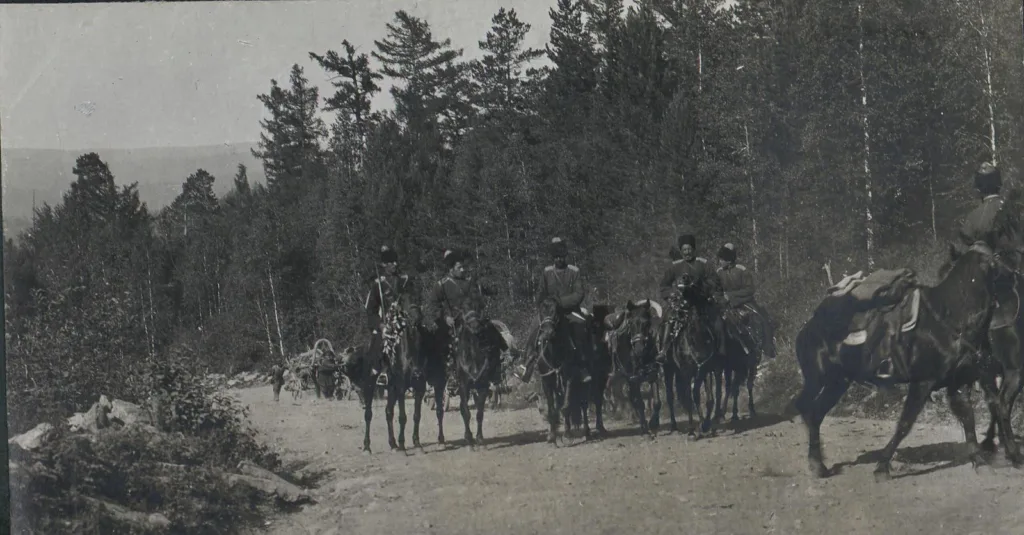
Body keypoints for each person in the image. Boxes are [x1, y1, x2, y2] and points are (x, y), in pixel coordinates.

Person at [424, 249, 506, 380]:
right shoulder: (441, 285)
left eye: (463, 267)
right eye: (459, 267)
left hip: (471, 317)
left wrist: (492, 291)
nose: (463, 270)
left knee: (491, 330)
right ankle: (445, 373)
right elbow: (433, 305)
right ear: (451, 269)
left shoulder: (470, 282)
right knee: (439, 344)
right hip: (453, 322)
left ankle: (503, 358)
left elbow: (481, 294)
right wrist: (445, 318)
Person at [520, 237, 593, 384]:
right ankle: (525, 364)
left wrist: (560, 303)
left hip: (570, 311)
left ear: (565, 256)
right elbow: (540, 293)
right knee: (534, 329)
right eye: (556, 257)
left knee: (581, 330)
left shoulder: (574, 271)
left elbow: (579, 293)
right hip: (550, 312)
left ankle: (582, 365)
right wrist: (544, 305)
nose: (558, 259)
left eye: (561, 257)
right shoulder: (547, 272)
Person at [657, 233, 727, 361]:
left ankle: (720, 350)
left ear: (694, 249)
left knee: (718, 321)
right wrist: (673, 294)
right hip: (681, 304)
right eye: (684, 250)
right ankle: (663, 350)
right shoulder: (675, 266)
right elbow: (664, 286)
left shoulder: (703, 264)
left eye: (689, 249)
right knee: (668, 320)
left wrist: (701, 286)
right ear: (681, 251)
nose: (687, 252)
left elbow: (714, 281)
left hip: (701, 302)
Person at [364, 245, 416, 385]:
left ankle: (420, 369)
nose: (395, 264)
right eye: (391, 262)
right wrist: (381, 325)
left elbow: (412, 300)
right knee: (380, 342)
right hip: (387, 322)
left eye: (395, 261)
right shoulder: (377, 284)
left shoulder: (404, 280)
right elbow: (370, 311)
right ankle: (382, 371)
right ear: (383, 265)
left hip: (405, 319)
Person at [715, 243, 776, 360]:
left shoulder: (741, 270)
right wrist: (721, 299)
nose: (720, 262)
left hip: (745, 302)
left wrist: (732, 297)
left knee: (761, 319)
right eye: (720, 259)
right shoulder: (719, 273)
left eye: (722, 259)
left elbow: (750, 290)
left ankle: (766, 347)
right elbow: (716, 291)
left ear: (729, 260)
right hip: (726, 305)